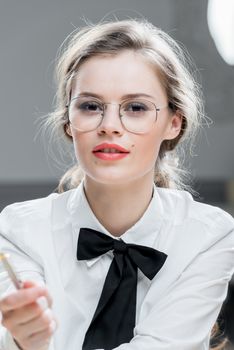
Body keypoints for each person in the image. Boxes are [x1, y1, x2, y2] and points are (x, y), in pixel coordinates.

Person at [0, 18, 234, 350]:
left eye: (136, 107)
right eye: (91, 106)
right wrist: (22, 339)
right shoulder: (19, 230)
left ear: (173, 123)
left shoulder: (210, 235)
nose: (110, 125)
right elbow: (18, 332)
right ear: (69, 121)